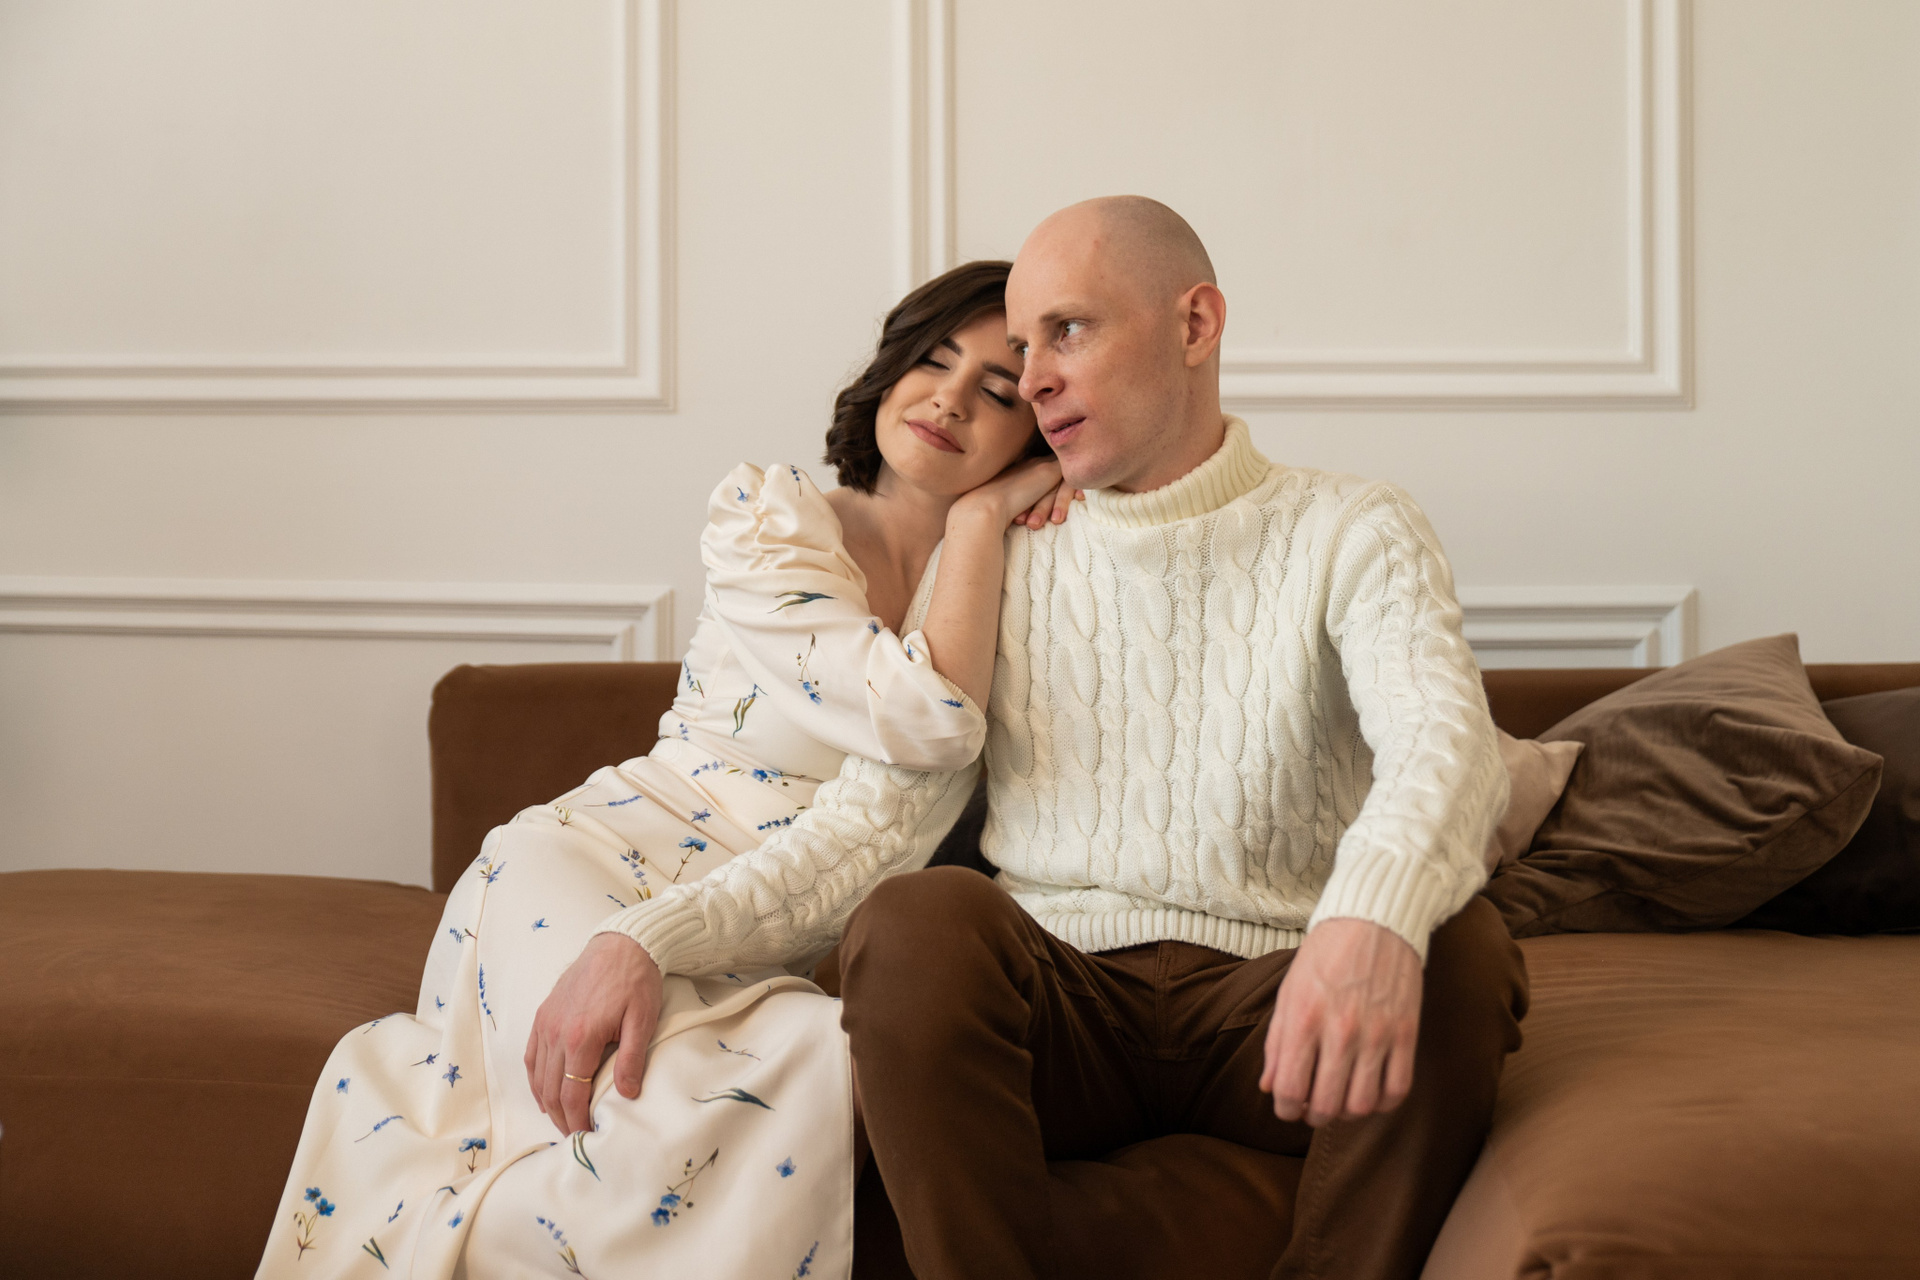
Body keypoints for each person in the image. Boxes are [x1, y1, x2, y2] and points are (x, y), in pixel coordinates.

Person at [564, 196, 1530, 1280]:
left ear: (1196, 324)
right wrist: (650, 936)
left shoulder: (1353, 525)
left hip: (1279, 1002)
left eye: (1067, 331)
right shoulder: (999, 557)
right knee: (917, 916)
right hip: (1059, 1012)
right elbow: (873, 828)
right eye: (1024, 350)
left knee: (1460, 942)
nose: (1032, 382)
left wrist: (1372, 918)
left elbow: (1446, 743)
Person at [255, 260, 1076, 1280]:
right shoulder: (771, 517)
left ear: (1033, 434)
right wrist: (981, 518)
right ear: (891, 369)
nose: (950, 399)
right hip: (597, 863)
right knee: (670, 1091)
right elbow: (927, 720)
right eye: (933, 360)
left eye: (999, 390)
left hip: (759, 934)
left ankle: (445, 1247)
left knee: (831, 1058)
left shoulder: (1011, 582)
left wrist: (982, 534)